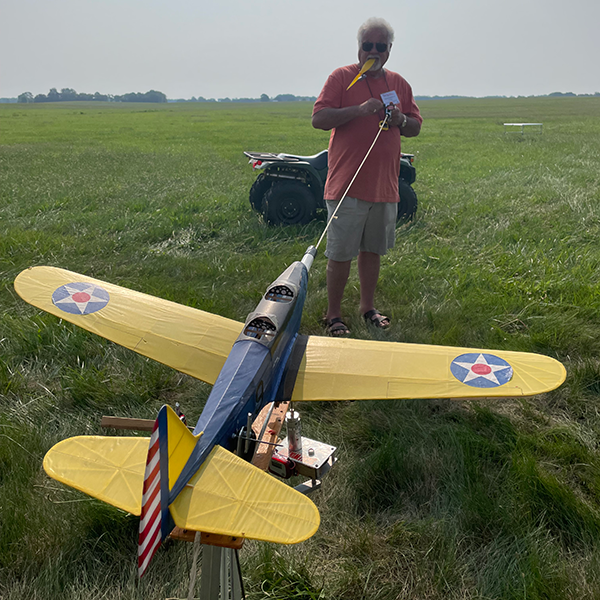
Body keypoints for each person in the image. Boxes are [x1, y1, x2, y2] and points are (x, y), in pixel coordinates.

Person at [312, 17, 422, 337]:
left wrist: (401, 118)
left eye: (381, 46)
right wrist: (358, 110)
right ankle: (333, 315)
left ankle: (367, 307)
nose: (373, 51)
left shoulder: (399, 84)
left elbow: (415, 126)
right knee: (340, 253)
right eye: (367, 45)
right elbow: (319, 118)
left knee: (372, 251)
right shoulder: (342, 77)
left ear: (389, 49)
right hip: (347, 185)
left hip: (384, 185)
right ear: (358, 47)